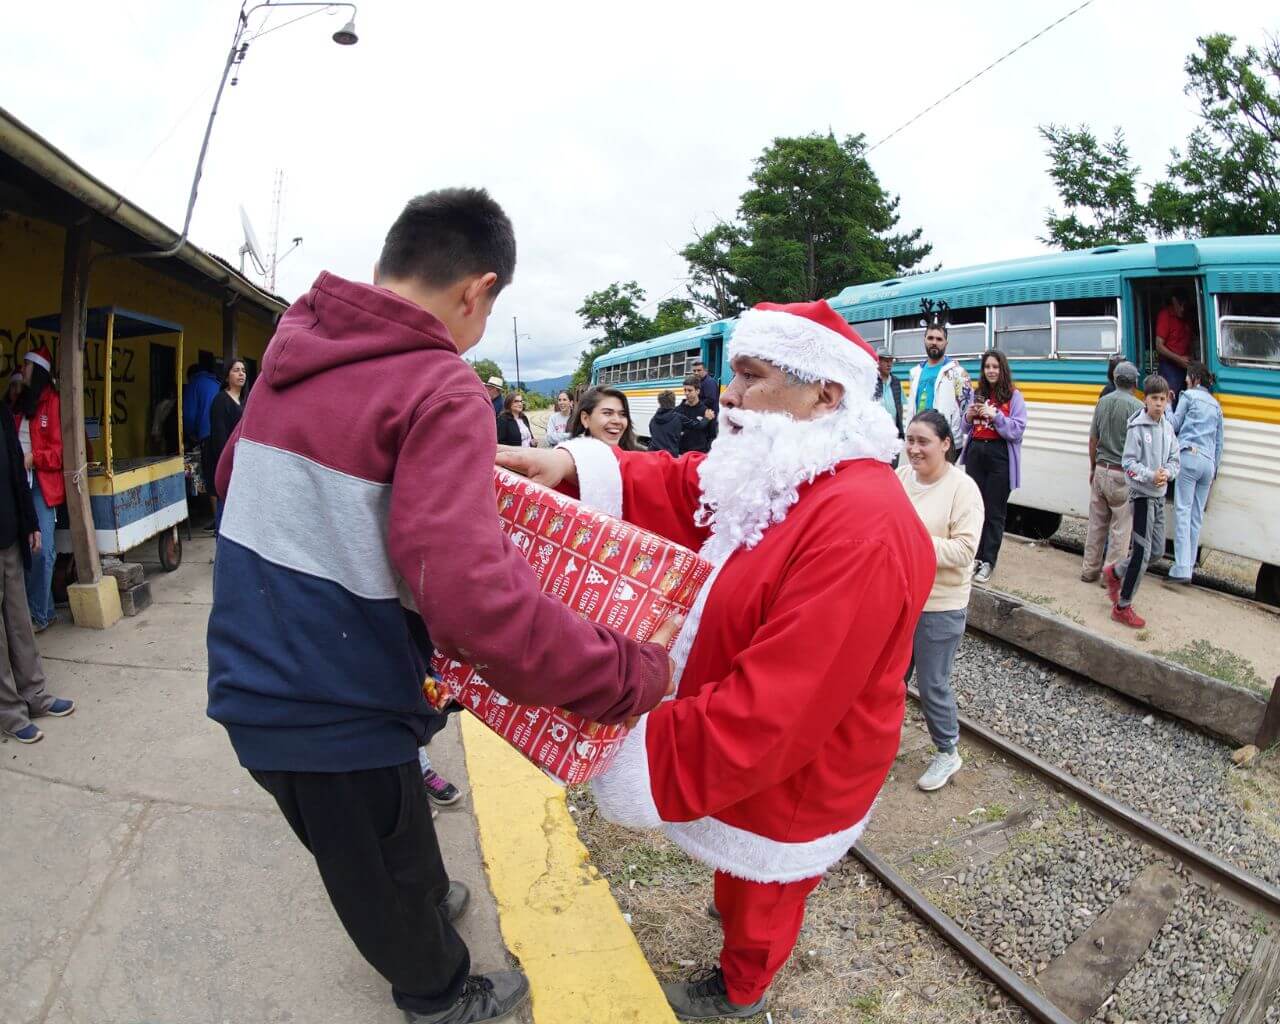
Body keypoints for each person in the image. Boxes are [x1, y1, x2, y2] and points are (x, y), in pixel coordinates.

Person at [207, 188, 678, 1024]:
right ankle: (438, 994)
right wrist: (625, 671)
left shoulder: (296, 350)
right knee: (368, 875)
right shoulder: (439, 385)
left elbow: (231, 480)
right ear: (476, 290)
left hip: (264, 664)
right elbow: (472, 604)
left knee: (391, 825)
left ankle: (425, 899)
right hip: (325, 697)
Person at [502, 299, 935, 1021]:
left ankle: (741, 988)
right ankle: (737, 931)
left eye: (750, 374)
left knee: (766, 885)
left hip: (802, 763)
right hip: (769, 743)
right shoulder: (796, 463)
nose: (727, 393)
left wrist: (631, 748)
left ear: (824, 393)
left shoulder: (862, 525)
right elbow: (687, 488)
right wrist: (569, 466)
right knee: (741, 876)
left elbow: (778, 710)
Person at [899, 410, 984, 792]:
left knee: (932, 683)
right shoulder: (900, 478)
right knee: (889, 679)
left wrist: (912, 543)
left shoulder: (963, 489)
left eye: (923, 442)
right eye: (910, 440)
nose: (914, 449)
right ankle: (877, 743)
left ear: (946, 444)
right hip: (899, 598)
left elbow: (965, 550)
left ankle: (947, 751)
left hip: (940, 604)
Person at [0, 393, 74, 744]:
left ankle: (35, 694)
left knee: (20, 621)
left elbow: (15, 464)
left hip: (9, 532)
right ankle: (9, 712)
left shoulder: (1, 409)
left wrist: (29, 521)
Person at [1104, 374, 1180, 628]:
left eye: (1162, 399)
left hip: (1158, 496)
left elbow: (1175, 459)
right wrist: (1150, 475)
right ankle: (1122, 606)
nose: (1159, 404)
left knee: (1157, 550)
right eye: (1154, 399)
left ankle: (1115, 572)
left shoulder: (1167, 428)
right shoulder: (1137, 428)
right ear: (1144, 400)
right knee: (1143, 552)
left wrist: (1167, 473)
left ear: (1168, 400)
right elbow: (1128, 463)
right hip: (1143, 496)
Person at [961, 350, 1026, 583]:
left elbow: (1017, 430)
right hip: (977, 453)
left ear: (1002, 369)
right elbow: (964, 428)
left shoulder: (1014, 396)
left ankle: (988, 561)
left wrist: (996, 415)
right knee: (975, 508)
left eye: (995, 367)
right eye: (987, 366)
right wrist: (968, 417)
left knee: (995, 511)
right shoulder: (978, 394)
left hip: (1000, 456)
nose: (991, 371)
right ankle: (975, 557)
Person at [1082, 361, 1144, 583]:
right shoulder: (1139, 407)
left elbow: (1092, 440)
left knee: (1096, 524)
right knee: (1121, 529)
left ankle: (1089, 570)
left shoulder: (1102, 402)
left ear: (1115, 379)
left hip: (1101, 469)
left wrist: (1093, 467)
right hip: (1123, 475)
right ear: (1135, 382)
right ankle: (1110, 576)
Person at [15, 348, 63, 633]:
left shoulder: (53, 403)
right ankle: (44, 613)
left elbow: (59, 454)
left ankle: (37, 614)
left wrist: (34, 458)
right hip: (19, 485)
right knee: (27, 551)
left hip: (41, 487)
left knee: (42, 550)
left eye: (27, 366)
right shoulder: (19, 405)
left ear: (39, 370)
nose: (22, 370)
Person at [1167, 360, 1224, 585]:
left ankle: (1181, 568)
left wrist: (1170, 403)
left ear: (1195, 379)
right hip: (1208, 465)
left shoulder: (1188, 397)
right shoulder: (1216, 406)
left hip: (1189, 456)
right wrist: (1214, 472)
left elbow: (1174, 424)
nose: (1185, 381)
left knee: (1182, 511)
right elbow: (1219, 444)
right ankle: (1188, 566)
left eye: (1188, 378)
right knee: (1196, 517)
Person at [907, 323, 972, 453]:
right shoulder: (914, 372)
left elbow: (966, 409)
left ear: (946, 343)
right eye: (930, 338)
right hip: (919, 440)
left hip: (945, 443)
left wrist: (954, 436)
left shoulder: (958, 373)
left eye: (939, 339)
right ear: (924, 339)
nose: (934, 342)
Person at [206, 358, 248, 535]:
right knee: (225, 514)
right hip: (226, 464)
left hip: (242, 463)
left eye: (243, 370)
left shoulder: (245, 401)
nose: (241, 374)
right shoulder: (220, 401)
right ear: (226, 376)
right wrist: (230, 465)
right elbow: (220, 440)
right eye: (236, 370)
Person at [569, 386, 639, 450]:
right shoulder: (567, 459)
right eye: (607, 413)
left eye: (623, 414)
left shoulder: (638, 459)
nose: (617, 421)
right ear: (585, 419)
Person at [1155, 289, 1194, 400]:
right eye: (1180, 305)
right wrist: (1179, 359)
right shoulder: (1165, 316)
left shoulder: (1187, 318)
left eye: (1185, 305)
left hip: (1185, 367)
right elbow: (1159, 346)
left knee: (1183, 398)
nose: (1182, 309)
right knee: (1170, 398)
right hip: (1169, 366)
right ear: (1174, 301)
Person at [675, 375, 715, 454]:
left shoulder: (707, 412)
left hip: (699, 454)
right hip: (681, 454)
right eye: (685, 390)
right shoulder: (677, 411)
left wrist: (707, 450)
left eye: (690, 390)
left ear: (697, 391)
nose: (686, 393)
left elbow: (712, 435)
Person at [874, 352, 904, 440]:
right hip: (876, 434)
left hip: (894, 433)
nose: (889, 364)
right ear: (878, 362)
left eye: (891, 361)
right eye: (886, 361)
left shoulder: (896, 382)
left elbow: (900, 407)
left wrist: (901, 430)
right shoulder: (872, 381)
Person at [647, 390, 683, 456]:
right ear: (674, 402)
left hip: (653, 455)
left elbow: (652, 433)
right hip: (670, 457)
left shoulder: (653, 420)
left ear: (659, 402)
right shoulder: (678, 419)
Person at [691, 358, 720, 441]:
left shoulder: (709, 382)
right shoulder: (700, 382)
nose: (696, 373)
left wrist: (695, 405)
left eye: (699, 370)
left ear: (705, 370)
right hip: (705, 418)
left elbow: (710, 400)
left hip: (710, 419)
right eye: (694, 371)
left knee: (709, 441)